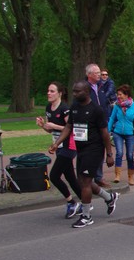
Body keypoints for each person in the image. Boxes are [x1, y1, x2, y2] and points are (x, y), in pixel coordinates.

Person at [48, 81, 118, 228]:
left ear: (87, 92)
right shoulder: (74, 107)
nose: (74, 94)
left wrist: (109, 154)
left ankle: (86, 216)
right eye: (74, 91)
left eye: (78, 91)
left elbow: (105, 133)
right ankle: (109, 197)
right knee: (83, 181)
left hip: (94, 149)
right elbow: (68, 127)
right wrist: (57, 143)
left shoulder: (96, 110)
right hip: (81, 149)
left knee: (85, 182)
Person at [36, 81, 82, 218]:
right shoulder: (48, 108)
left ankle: (71, 202)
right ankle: (86, 202)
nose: (48, 93)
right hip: (58, 146)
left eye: (52, 91)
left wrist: (54, 126)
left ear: (60, 93)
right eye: (48, 91)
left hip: (69, 145)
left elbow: (71, 128)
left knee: (54, 176)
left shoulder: (65, 108)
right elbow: (50, 130)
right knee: (70, 177)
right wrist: (43, 126)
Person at [106, 84, 134, 186]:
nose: (118, 96)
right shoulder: (117, 106)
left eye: (120, 94)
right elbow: (112, 119)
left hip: (130, 134)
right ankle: (117, 175)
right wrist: (108, 131)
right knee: (119, 153)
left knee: (130, 155)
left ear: (126, 95)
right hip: (117, 133)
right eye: (117, 94)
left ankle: (130, 176)